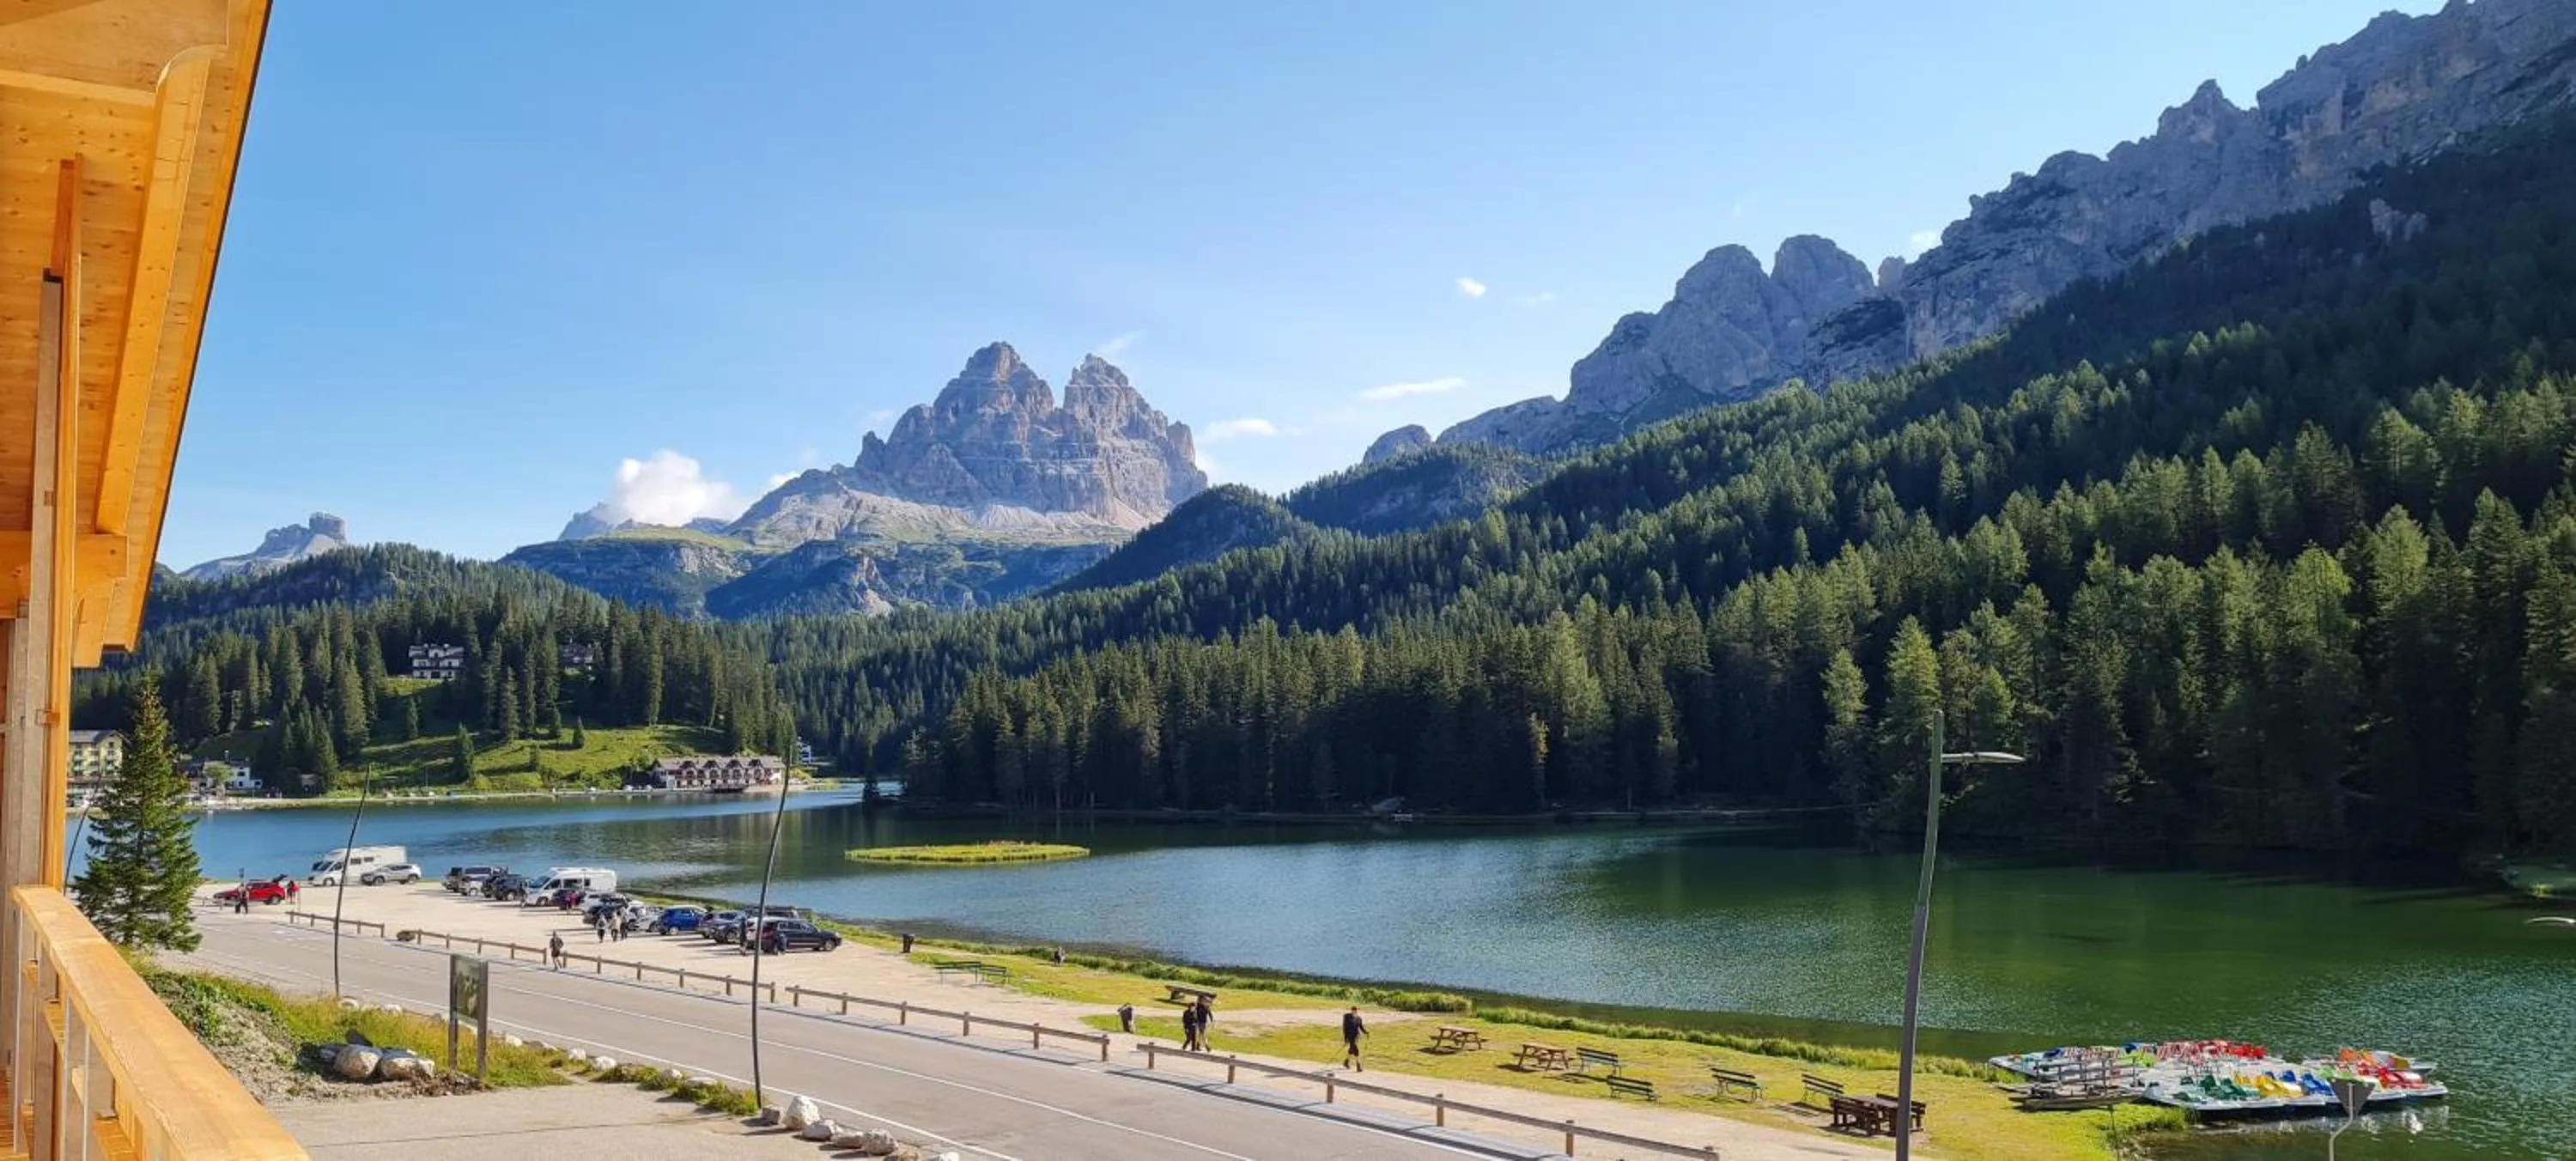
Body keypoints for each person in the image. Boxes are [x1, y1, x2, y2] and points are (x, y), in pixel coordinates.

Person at [1340, 1006, 1368, 1072]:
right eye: (1353, 1010)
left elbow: (1361, 1027)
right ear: (1351, 1010)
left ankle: (1346, 1062)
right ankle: (1358, 1066)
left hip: (1356, 1037)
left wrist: (1365, 1032)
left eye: (1355, 1011)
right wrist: (1345, 1038)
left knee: (1351, 1049)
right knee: (1356, 1050)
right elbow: (1345, 1028)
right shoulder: (1347, 1017)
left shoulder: (1359, 1018)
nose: (1354, 1012)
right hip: (1350, 1037)